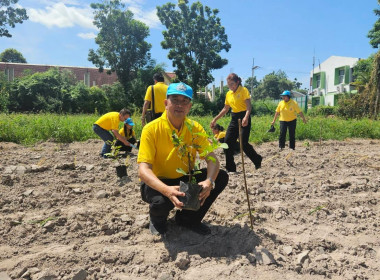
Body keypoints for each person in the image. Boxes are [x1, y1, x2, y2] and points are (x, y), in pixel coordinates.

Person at [138, 82, 229, 236]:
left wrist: (209, 182)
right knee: (160, 201)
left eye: (184, 101)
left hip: (184, 178)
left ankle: (187, 219)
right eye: (175, 100)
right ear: (166, 103)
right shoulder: (151, 129)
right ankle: (157, 220)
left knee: (220, 177)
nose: (180, 105)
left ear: (189, 106)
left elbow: (212, 160)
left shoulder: (195, 128)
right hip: (158, 181)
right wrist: (166, 190)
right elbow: (143, 170)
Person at [211, 73, 262, 172]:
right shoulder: (228, 94)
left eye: (232, 84)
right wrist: (215, 119)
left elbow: (248, 107)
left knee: (243, 143)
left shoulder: (243, 90)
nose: (230, 86)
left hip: (244, 117)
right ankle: (230, 168)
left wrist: (246, 118)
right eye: (229, 84)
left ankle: (257, 159)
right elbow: (226, 108)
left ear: (237, 82)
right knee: (227, 143)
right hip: (234, 118)